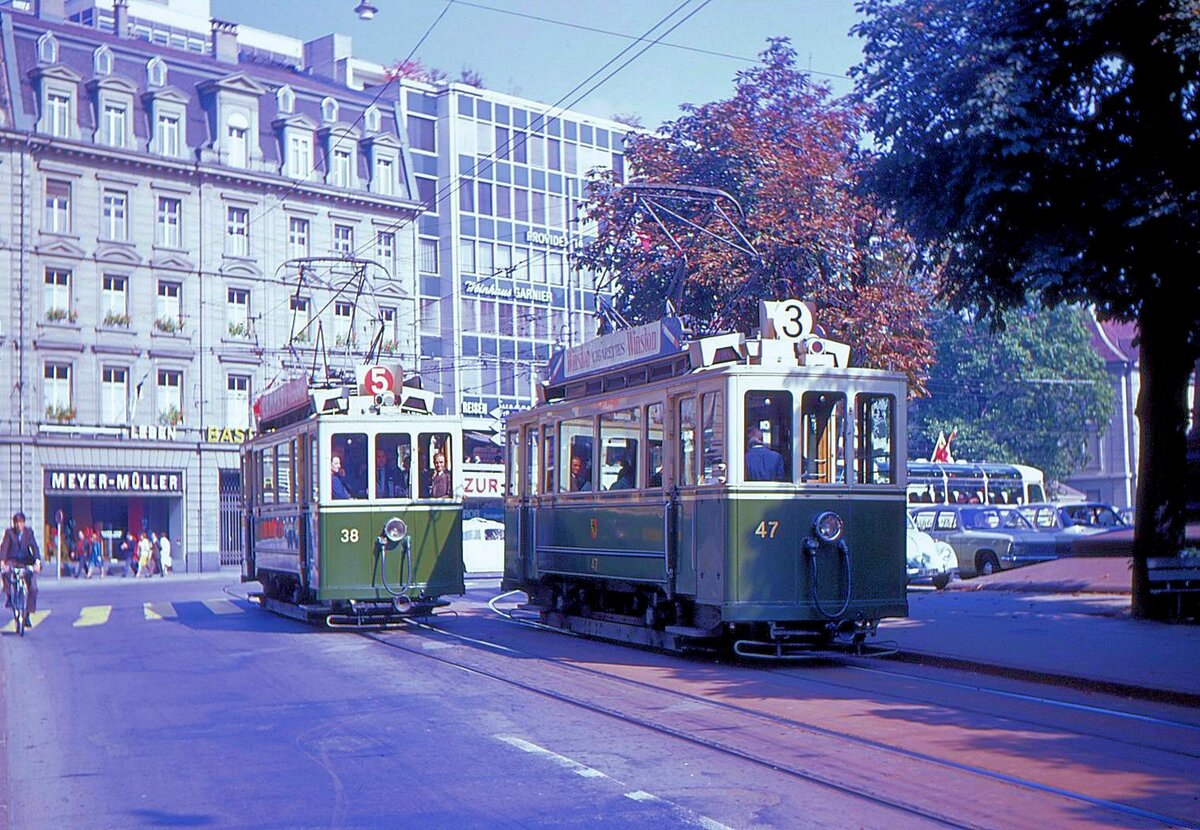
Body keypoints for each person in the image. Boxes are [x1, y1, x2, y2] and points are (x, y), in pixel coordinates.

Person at [2, 512, 42, 627]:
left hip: (26, 561)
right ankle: (9, 596)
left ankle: (27, 615)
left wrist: (37, 562)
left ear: (24, 523)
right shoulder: (9, 533)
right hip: (13, 561)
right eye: (16, 523)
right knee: (6, 572)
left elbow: (35, 548)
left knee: (33, 588)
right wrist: (2, 562)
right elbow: (4, 547)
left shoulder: (29, 533)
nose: (18, 525)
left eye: (20, 522)